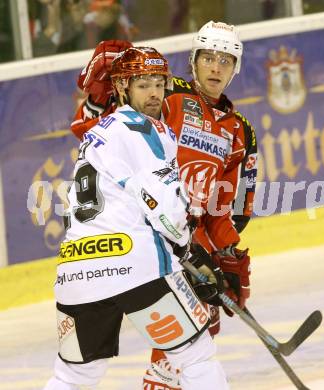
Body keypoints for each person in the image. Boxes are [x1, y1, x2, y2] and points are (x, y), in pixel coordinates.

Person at [71, 21, 257, 390]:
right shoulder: (165, 95)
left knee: (199, 331)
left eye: (226, 60)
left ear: (236, 68)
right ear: (193, 60)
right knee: (190, 337)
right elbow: (96, 128)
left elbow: (226, 205)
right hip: (146, 235)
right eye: (208, 57)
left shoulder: (239, 129)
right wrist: (98, 94)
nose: (216, 67)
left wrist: (229, 254)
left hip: (188, 240)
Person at [43, 46, 230, 390]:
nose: (154, 93)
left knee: (73, 376)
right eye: (142, 85)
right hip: (135, 264)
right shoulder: (146, 130)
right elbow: (162, 203)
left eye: (158, 83)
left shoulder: (97, 134)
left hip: (76, 270)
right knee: (195, 355)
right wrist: (188, 251)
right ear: (121, 88)